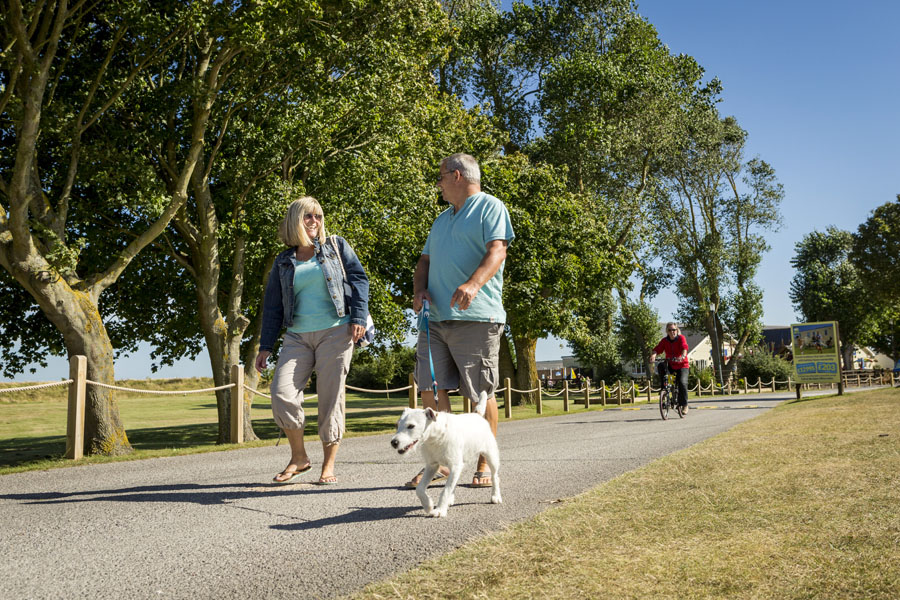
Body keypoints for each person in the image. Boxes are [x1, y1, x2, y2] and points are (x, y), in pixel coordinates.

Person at [406, 153, 515, 489]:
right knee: (429, 388)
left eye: (440, 177)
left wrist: (473, 284)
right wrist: (420, 289)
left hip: (477, 317)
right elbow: (424, 261)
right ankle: (440, 463)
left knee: (479, 393)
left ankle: (484, 460)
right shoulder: (440, 220)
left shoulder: (490, 207)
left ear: (456, 175)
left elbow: (498, 250)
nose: (437, 184)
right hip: (434, 319)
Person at [255, 196, 369, 485]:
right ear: (296, 220)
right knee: (282, 393)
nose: (315, 222)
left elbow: (359, 280)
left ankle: (328, 466)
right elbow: (273, 307)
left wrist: (358, 317)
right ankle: (299, 456)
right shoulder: (283, 261)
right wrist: (265, 346)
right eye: (308, 216)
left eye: (318, 216)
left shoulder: (336, 246)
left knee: (331, 400)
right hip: (297, 336)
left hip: (337, 331)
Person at [649, 322, 690, 414]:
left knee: (682, 383)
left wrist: (683, 356)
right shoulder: (665, 341)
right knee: (661, 366)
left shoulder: (681, 338)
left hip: (682, 365)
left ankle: (684, 405)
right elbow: (658, 349)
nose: (672, 332)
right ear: (667, 331)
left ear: (677, 330)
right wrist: (654, 355)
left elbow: (684, 348)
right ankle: (665, 389)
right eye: (670, 330)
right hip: (670, 365)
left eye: (674, 330)